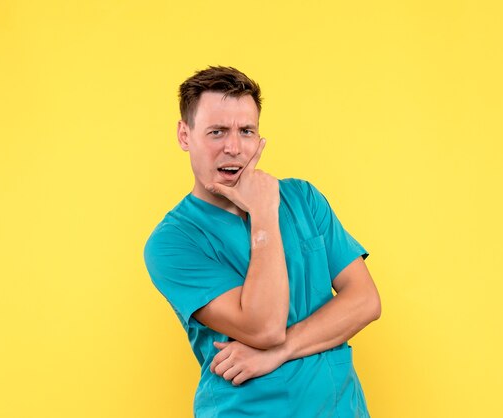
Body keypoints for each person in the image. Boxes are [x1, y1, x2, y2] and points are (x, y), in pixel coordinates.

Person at [143, 66, 381, 417]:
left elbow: (365, 301)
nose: (234, 147)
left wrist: (281, 352)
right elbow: (265, 328)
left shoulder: (303, 198)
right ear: (184, 134)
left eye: (246, 131)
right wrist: (265, 214)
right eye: (216, 132)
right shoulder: (172, 242)